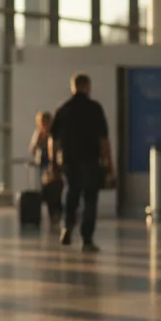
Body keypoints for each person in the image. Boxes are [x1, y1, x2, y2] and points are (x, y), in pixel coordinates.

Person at [48, 73, 113, 253]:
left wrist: (53, 161)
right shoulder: (95, 108)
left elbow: (52, 139)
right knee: (90, 198)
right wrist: (109, 163)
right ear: (88, 87)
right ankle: (87, 240)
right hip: (91, 160)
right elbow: (104, 140)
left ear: (73, 87)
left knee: (71, 193)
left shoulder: (63, 108)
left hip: (69, 160)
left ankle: (67, 226)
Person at [29, 111, 62, 224]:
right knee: (45, 188)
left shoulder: (54, 134)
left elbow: (57, 148)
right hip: (43, 163)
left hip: (53, 163)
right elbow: (33, 148)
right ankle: (51, 209)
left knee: (55, 187)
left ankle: (55, 209)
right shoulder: (38, 134)